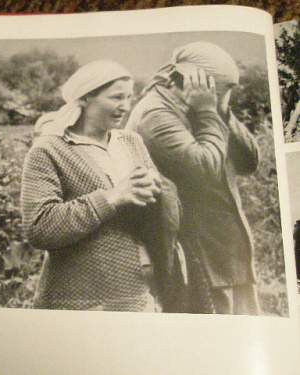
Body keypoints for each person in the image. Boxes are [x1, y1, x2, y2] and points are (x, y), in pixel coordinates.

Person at [21, 60, 182, 312]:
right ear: (85, 98)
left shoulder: (131, 141)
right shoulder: (49, 150)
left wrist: (156, 190)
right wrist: (113, 197)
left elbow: (157, 207)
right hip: (79, 301)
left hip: (138, 295)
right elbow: (39, 227)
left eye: (129, 97)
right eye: (117, 97)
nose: (125, 107)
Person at [126, 42, 260, 315]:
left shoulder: (196, 106)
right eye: (221, 91)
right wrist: (209, 112)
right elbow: (204, 170)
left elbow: (249, 162)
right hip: (197, 256)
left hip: (227, 253)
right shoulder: (155, 114)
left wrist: (222, 110)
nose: (223, 97)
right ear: (194, 82)